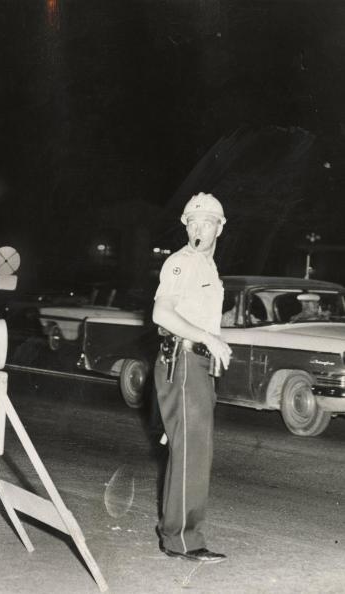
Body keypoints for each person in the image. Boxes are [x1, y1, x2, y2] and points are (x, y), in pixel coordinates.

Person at [152, 192, 232, 563]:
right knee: (193, 454)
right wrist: (207, 338)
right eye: (192, 222)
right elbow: (161, 314)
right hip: (182, 361)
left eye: (207, 222)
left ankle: (176, 533)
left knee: (191, 451)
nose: (198, 228)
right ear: (186, 225)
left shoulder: (208, 266)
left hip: (196, 365)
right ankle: (183, 540)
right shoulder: (181, 263)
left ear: (220, 227)